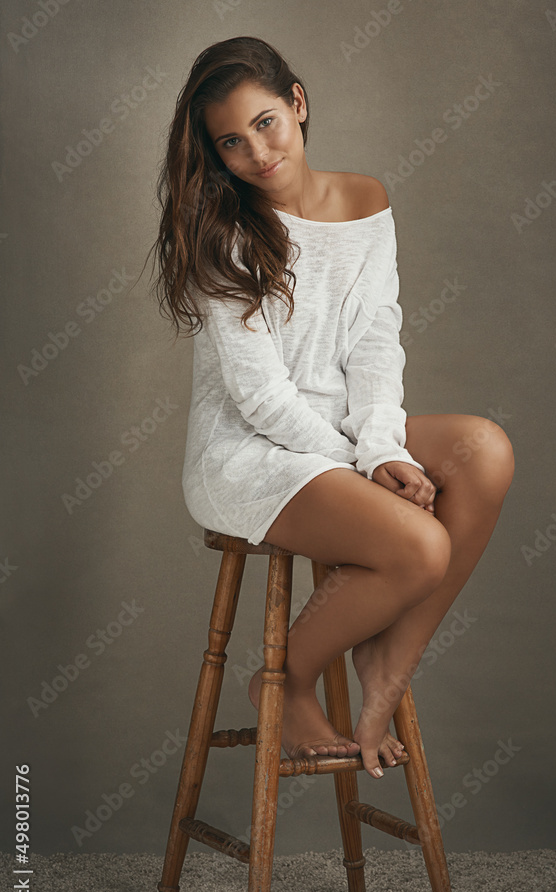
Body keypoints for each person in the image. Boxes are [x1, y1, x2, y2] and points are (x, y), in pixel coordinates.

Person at [148, 36, 515, 780]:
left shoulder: (367, 202)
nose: (256, 151)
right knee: (419, 546)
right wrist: (361, 463)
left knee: (484, 449)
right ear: (215, 155)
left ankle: (387, 663)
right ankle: (284, 680)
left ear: (299, 104)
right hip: (248, 452)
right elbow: (258, 397)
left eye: (266, 123)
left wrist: (380, 449)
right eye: (230, 142)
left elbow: (376, 346)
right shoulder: (224, 237)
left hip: (340, 436)